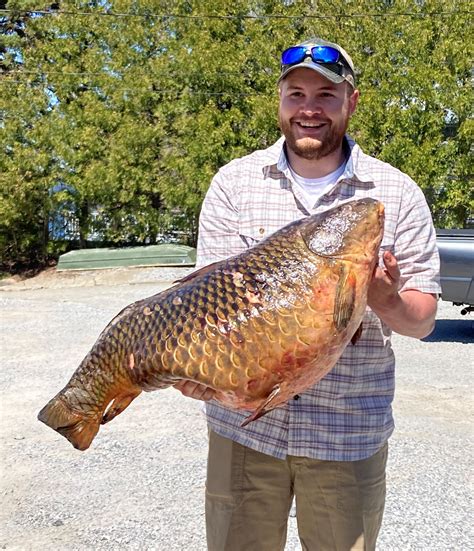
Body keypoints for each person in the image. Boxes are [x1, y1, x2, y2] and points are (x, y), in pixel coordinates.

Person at [175, 37, 440, 551]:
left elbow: (424, 319)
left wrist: (384, 299)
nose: (310, 109)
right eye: (296, 94)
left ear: (351, 102)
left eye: (326, 95)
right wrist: (194, 368)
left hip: (347, 432)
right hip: (244, 432)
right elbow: (206, 308)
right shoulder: (235, 183)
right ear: (280, 101)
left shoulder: (396, 193)